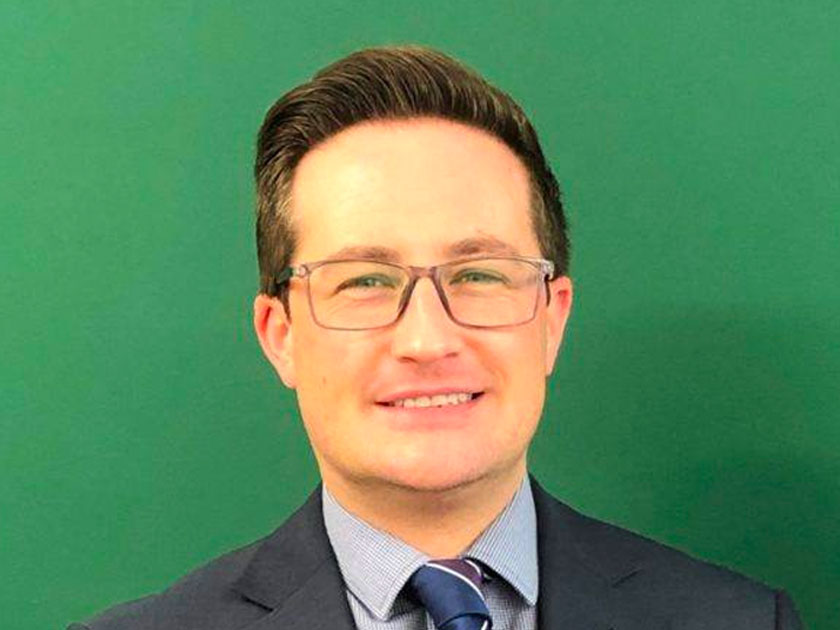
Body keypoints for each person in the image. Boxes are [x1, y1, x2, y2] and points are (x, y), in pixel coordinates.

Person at [69, 45, 802, 630]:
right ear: (280, 334)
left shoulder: (739, 621)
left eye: (479, 275)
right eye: (364, 280)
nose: (427, 339)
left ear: (552, 319)